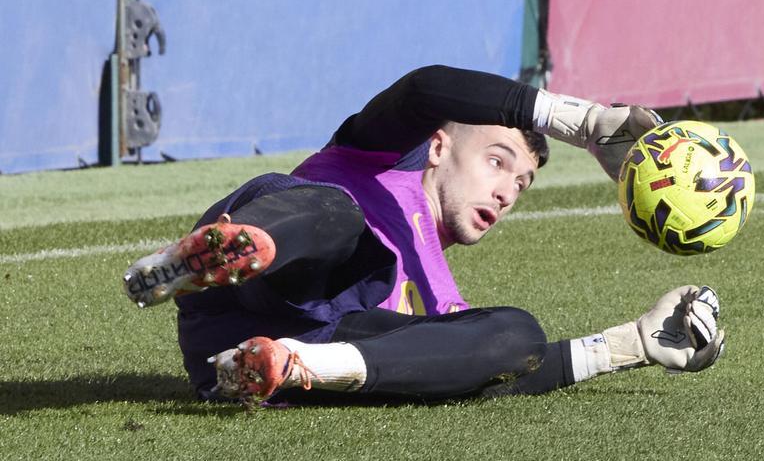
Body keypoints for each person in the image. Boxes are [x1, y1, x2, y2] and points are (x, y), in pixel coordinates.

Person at [123, 65, 725, 404]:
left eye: (524, 183)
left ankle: (288, 365)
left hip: (270, 350)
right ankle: (229, 249)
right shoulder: (381, 159)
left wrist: (634, 345)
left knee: (519, 332)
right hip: (272, 262)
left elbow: (510, 363)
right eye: (497, 161)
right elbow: (425, 88)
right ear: (439, 146)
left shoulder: (441, 293)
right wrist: (585, 122)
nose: (508, 190)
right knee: (338, 217)